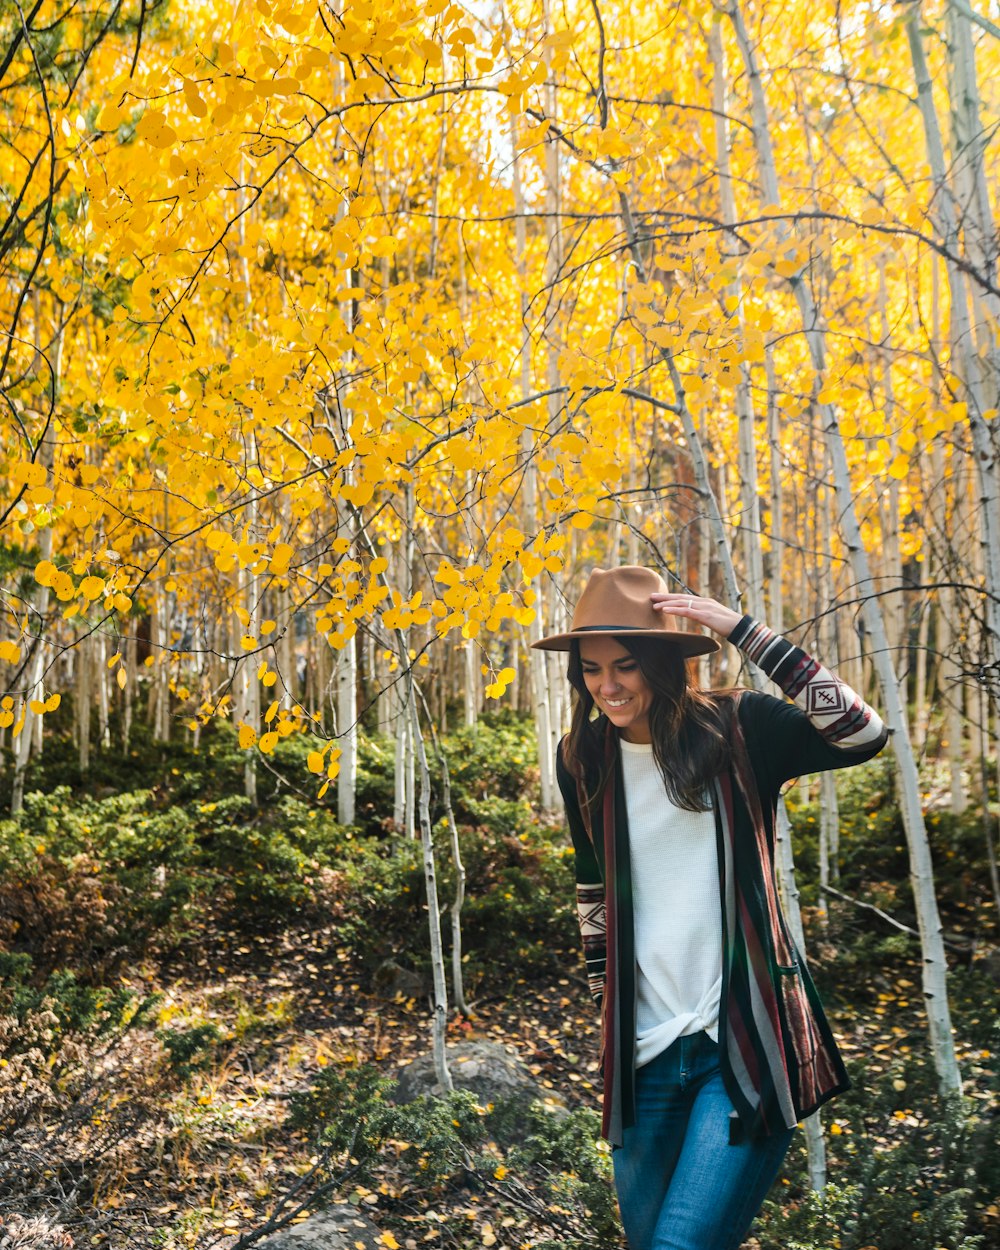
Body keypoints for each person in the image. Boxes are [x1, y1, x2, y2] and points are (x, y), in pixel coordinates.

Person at [531, 565, 888, 1250]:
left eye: (626, 666)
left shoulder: (740, 728)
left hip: (743, 1044)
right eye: (591, 669)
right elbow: (592, 889)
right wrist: (608, 1009)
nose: (607, 686)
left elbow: (862, 733)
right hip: (644, 1061)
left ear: (663, 663)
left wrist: (745, 633)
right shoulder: (582, 756)